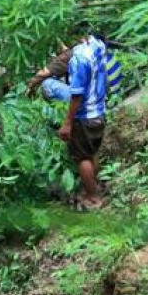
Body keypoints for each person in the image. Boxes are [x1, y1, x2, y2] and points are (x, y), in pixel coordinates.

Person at [58, 31, 108, 208]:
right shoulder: (97, 45)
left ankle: (93, 198)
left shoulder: (78, 59)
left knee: (81, 158)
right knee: (92, 152)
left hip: (84, 116)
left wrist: (67, 123)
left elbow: (76, 95)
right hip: (99, 112)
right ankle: (91, 189)